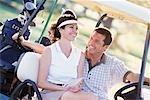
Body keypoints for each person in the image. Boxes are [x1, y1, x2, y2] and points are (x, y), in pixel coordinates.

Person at [80, 27, 150, 100]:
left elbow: (132, 76)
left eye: (97, 41)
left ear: (105, 47)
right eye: (91, 38)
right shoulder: (77, 57)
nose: (91, 43)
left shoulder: (113, 64)